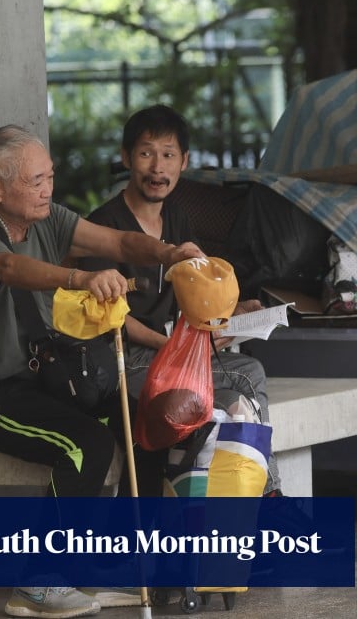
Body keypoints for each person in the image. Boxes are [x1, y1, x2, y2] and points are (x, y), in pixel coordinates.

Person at [0, 124, 204, 618]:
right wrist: (81, 277)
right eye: (35, 181)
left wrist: (170, 253)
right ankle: (39, 579)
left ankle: (127, 558)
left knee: (141, 424)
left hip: (47, 376)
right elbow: (11, 270)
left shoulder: (47, 218)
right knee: (85, 443)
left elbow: (121, 243)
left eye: (50, 176)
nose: (48, 189)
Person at [79, 104, 282, 497]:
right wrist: (171, 347)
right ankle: (271, 498)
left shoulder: (178, 219)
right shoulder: (103, 225)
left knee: (237, 391)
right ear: (125, 157)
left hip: (169, 352)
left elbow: (196, 301)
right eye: (146, 153)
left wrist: (233, 316)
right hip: (126, 358)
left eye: (169, 155)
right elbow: (111, 318)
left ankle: (225, 511)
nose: (158, 167)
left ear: (183, 162)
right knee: (246, 376)